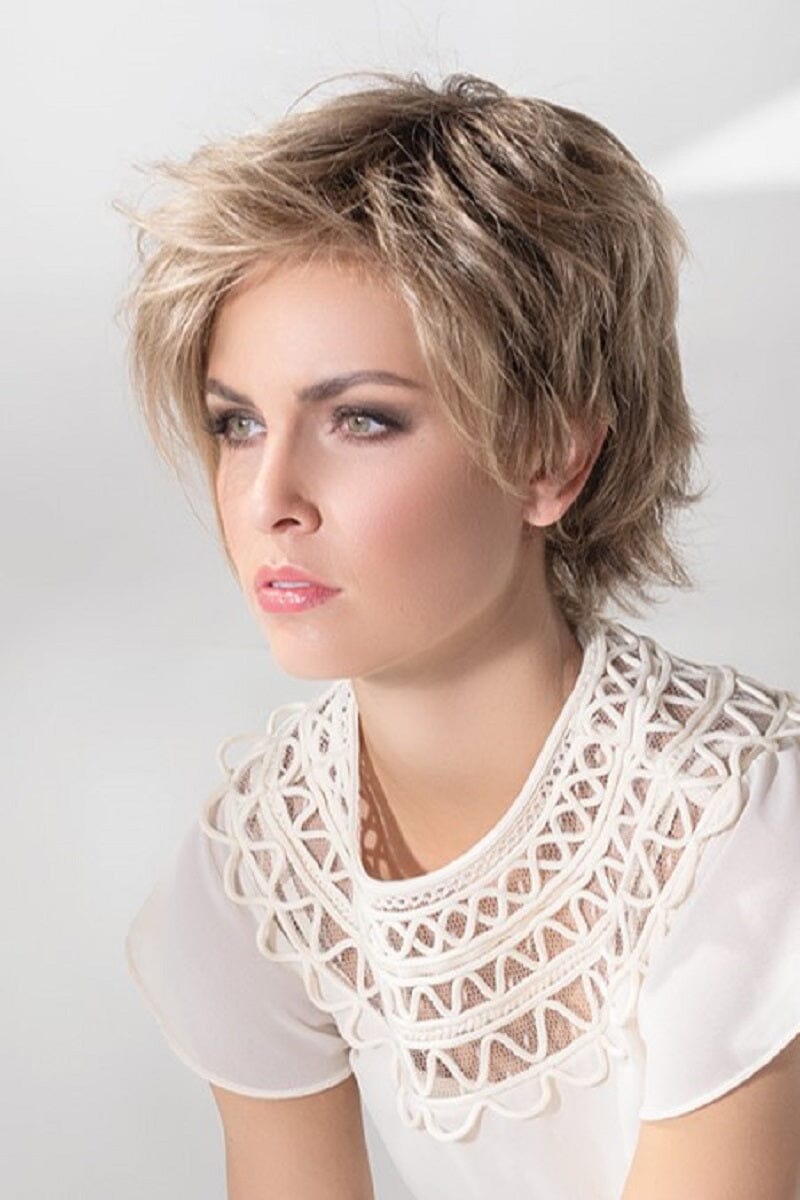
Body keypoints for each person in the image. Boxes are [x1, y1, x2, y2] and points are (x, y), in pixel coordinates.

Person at [119, 71, 800, 1200]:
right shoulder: (263, 868)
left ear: (550, 457)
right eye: (237, 423)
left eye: (361, 419)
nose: (267, 498)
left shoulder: (743, 830)